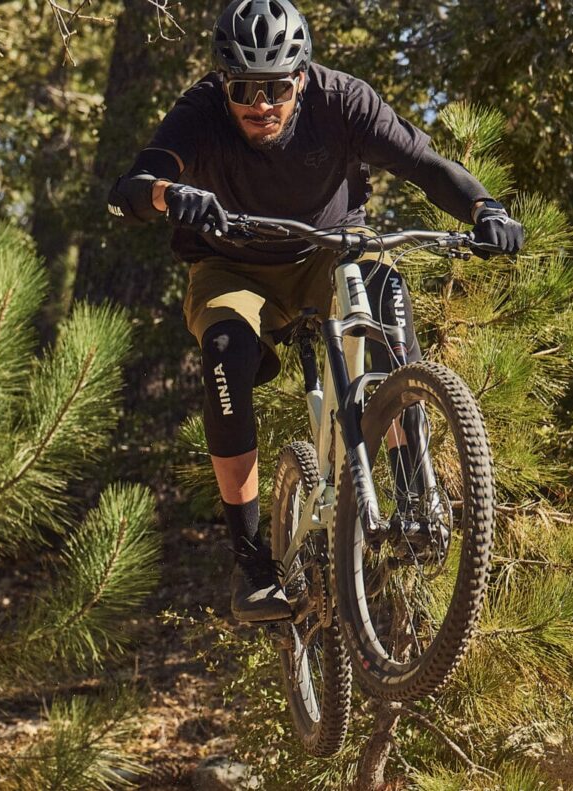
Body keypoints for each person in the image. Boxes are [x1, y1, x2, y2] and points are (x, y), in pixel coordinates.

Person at [105, 0, 524, 623]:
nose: (261, 104)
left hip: (330, 251)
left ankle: (414, 497)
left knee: (383, 294)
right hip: (231, 266)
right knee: (225, 353)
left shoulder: (343, 102)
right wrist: (172, 194)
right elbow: (129, 190)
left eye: (276, 87)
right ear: (224, 82)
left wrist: (485, 209)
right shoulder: (200, 112)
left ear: (301, 78)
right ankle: (251, 563)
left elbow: (425, 166)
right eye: (244, 88)